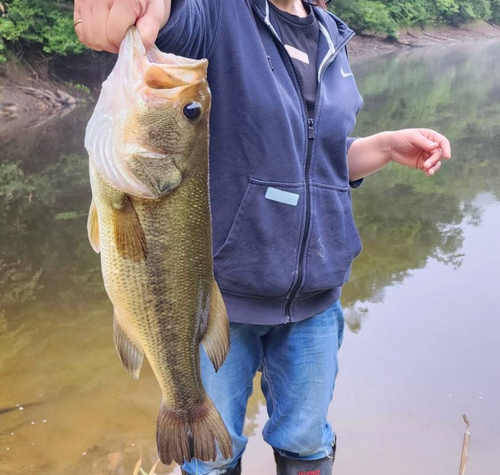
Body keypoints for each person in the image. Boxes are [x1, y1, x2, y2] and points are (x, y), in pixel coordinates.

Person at [74, 0, 452, 473]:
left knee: (306, 440)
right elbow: (170, 22)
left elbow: (319, 153)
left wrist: (383, 147)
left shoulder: (332, 36)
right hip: (223, 303)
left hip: (316, 299)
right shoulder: (220, 15)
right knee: (213, 454)